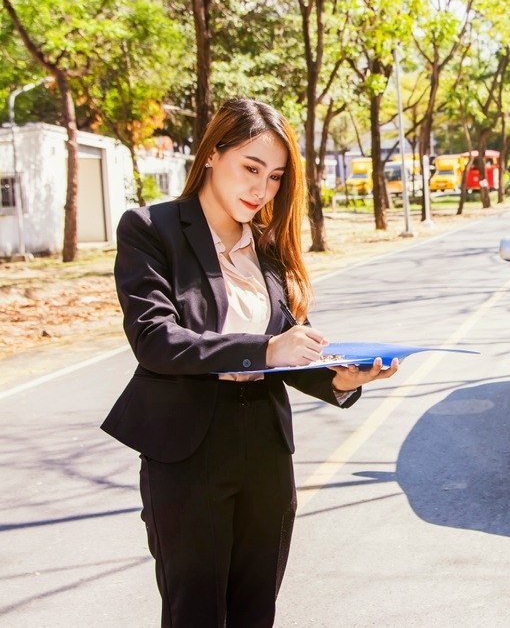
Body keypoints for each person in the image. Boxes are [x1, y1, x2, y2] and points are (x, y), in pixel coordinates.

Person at [101, 97, 398, 627]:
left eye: (276, 176)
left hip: (265, 451)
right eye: (251, 168)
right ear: (213, 154)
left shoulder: (265, 246)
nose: (262, 189)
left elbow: (283, 347)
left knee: (256, 611)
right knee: (194, 612)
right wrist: (265, 349)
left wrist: (340, 379)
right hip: (188, 453)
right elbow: (155, 340)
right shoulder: (151, 229)